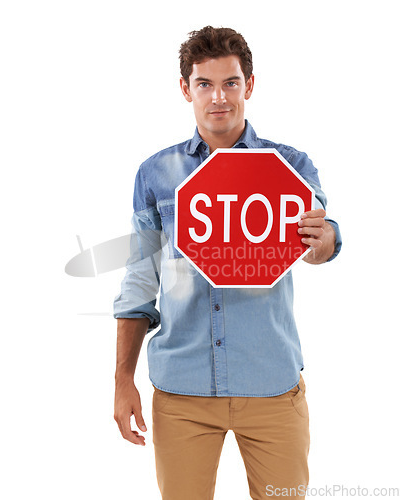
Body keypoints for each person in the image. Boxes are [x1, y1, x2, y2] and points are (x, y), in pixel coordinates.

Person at [113, 26, 342, 500]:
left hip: (272, 386)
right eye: (204, 84)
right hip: (182, 392)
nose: (219, 97)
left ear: (249, 85)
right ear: (186, 89)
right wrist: (122, 380)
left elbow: (321, 238)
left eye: (231, 83)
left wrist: (325, 240)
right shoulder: (156, 175)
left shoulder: (290, 165)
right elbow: (140, 279)